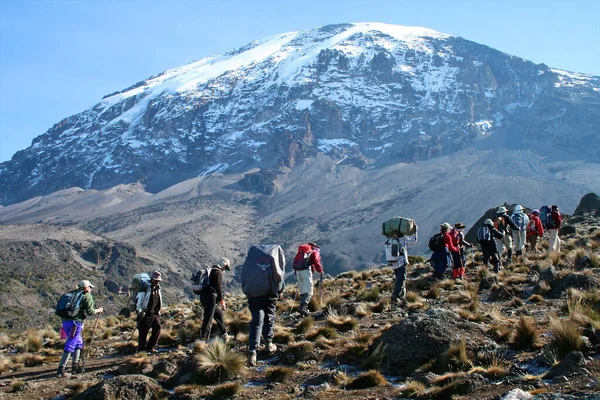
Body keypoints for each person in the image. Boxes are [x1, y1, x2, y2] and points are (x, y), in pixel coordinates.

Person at [241, 245, 285, 367]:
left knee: (257, 320)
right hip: (269, 293)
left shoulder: (252, 259)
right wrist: (280, 290)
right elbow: (279, 275)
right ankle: (268, 344)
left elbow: (244, 274)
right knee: (269, 318)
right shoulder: (274, 257)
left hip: (253, 294)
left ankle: (252, 352)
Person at [57, 280, 103, 378]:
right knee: (71, 343)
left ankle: (75, 367)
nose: (90, 289)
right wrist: (98, 310)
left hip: (65, 322)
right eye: (90, 287)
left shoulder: (71, 294)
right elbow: (90, 312)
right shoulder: (86, 296)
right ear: (86, 288)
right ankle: (61, 370)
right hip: (76, 323)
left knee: (78, 342)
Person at [199, 257, 231, 342]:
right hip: (211, 298)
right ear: (223, 265)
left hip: (203, 297)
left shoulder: (210, 271)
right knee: (208, 319)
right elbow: (218, 288)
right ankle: (203, 340)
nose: (225, 269)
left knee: (219, 314)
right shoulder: (218, 272)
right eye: (225, 267)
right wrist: (222, 302)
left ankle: (224, 334)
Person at [293, 242, 324, 316]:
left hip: (298, 272)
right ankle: (303, 308)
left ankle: (302, 308)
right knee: (309, 290)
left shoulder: (301, 252)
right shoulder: (313, 252)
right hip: (306, 271)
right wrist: (320, 271)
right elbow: (316, 261)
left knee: (302, 290)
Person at [136, 270, 163, 354]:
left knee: (157, 328)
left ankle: (150, 346)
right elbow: (139, 299)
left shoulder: (157, 288)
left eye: (158, 281)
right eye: (156, 280)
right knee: (143, 330)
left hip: (155, 312)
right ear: (152, 279)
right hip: (146, 312)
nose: (157, 282)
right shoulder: (145, 287)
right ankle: (141, 349)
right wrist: (139, 310)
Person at [390, 234, 418, 302]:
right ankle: (395, 295)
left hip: (394, 262)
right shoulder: (403, 239)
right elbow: (412, 241)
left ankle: (402, 295)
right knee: (401, 279)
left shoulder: (392, 239)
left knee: (398, 279)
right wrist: (415, 231)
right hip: (401, 261)